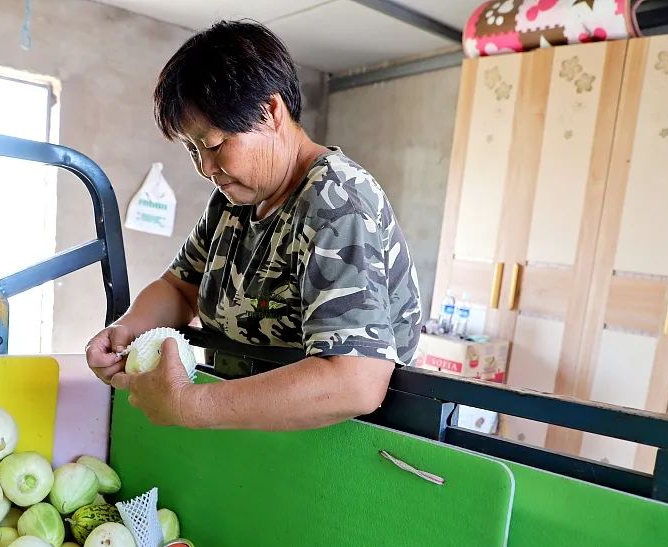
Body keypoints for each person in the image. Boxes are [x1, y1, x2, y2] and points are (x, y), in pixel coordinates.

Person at [86, 20, 421, 431]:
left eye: (213, 145)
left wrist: (190, 405)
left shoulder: (336, 203)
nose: (206, 169)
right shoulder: (235, 201)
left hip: (331, 446)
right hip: (251, 437)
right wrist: (127, 329)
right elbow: (178, 288)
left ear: (270, 111)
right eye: (193, 150)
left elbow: (355, 382)